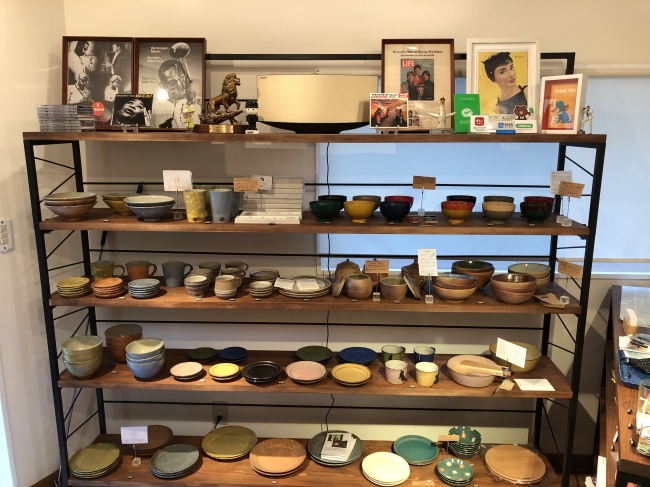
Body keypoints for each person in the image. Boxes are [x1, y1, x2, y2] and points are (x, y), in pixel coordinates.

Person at [154, 59, 201, 128]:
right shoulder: (156, 107)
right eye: (164, 84)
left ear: (183, 78)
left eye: (172, 83)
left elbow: (194, 128)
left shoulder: (199, 104)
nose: (168, 88)